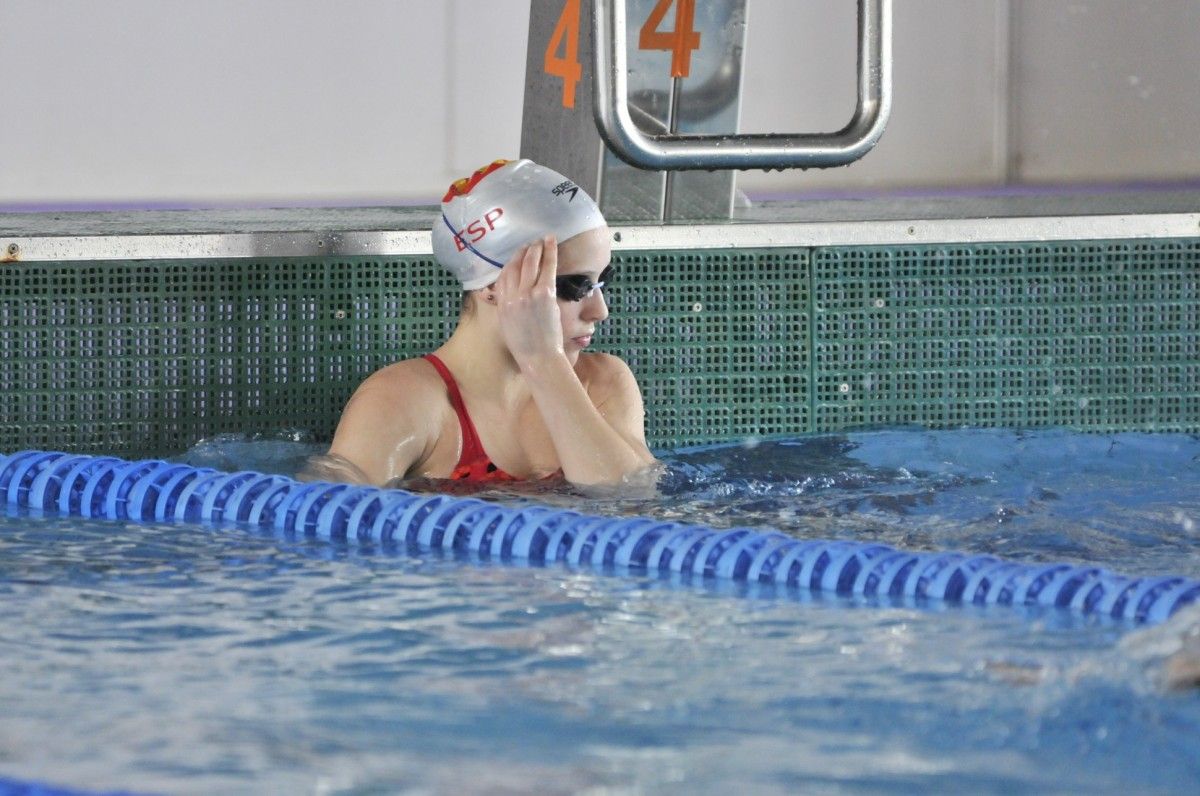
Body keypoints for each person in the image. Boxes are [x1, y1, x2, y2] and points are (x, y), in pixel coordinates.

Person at [304, 159, 658, 488]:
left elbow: (633, 505)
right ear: (492, 285)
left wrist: (545, 363)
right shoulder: (402, 402)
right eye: (574, 287)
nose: (600, 310)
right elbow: (330, 527)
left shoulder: (603, 384)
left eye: (601, 282)